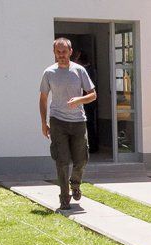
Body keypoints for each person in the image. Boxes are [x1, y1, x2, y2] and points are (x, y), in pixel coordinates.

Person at [39, 38, 96, 210]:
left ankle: (76, 183)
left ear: (71, 51)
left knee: (81, 159)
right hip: (57, 122)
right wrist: (44, 122)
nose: (61, 55)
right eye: (58, 52)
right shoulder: (49, 73)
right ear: (54, 53)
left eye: (64, 52)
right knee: (62, 161)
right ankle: (64, 197)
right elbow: (43, 98)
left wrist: (80, 99)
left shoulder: (79, 71)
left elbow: (92, 95)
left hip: (78, 121)